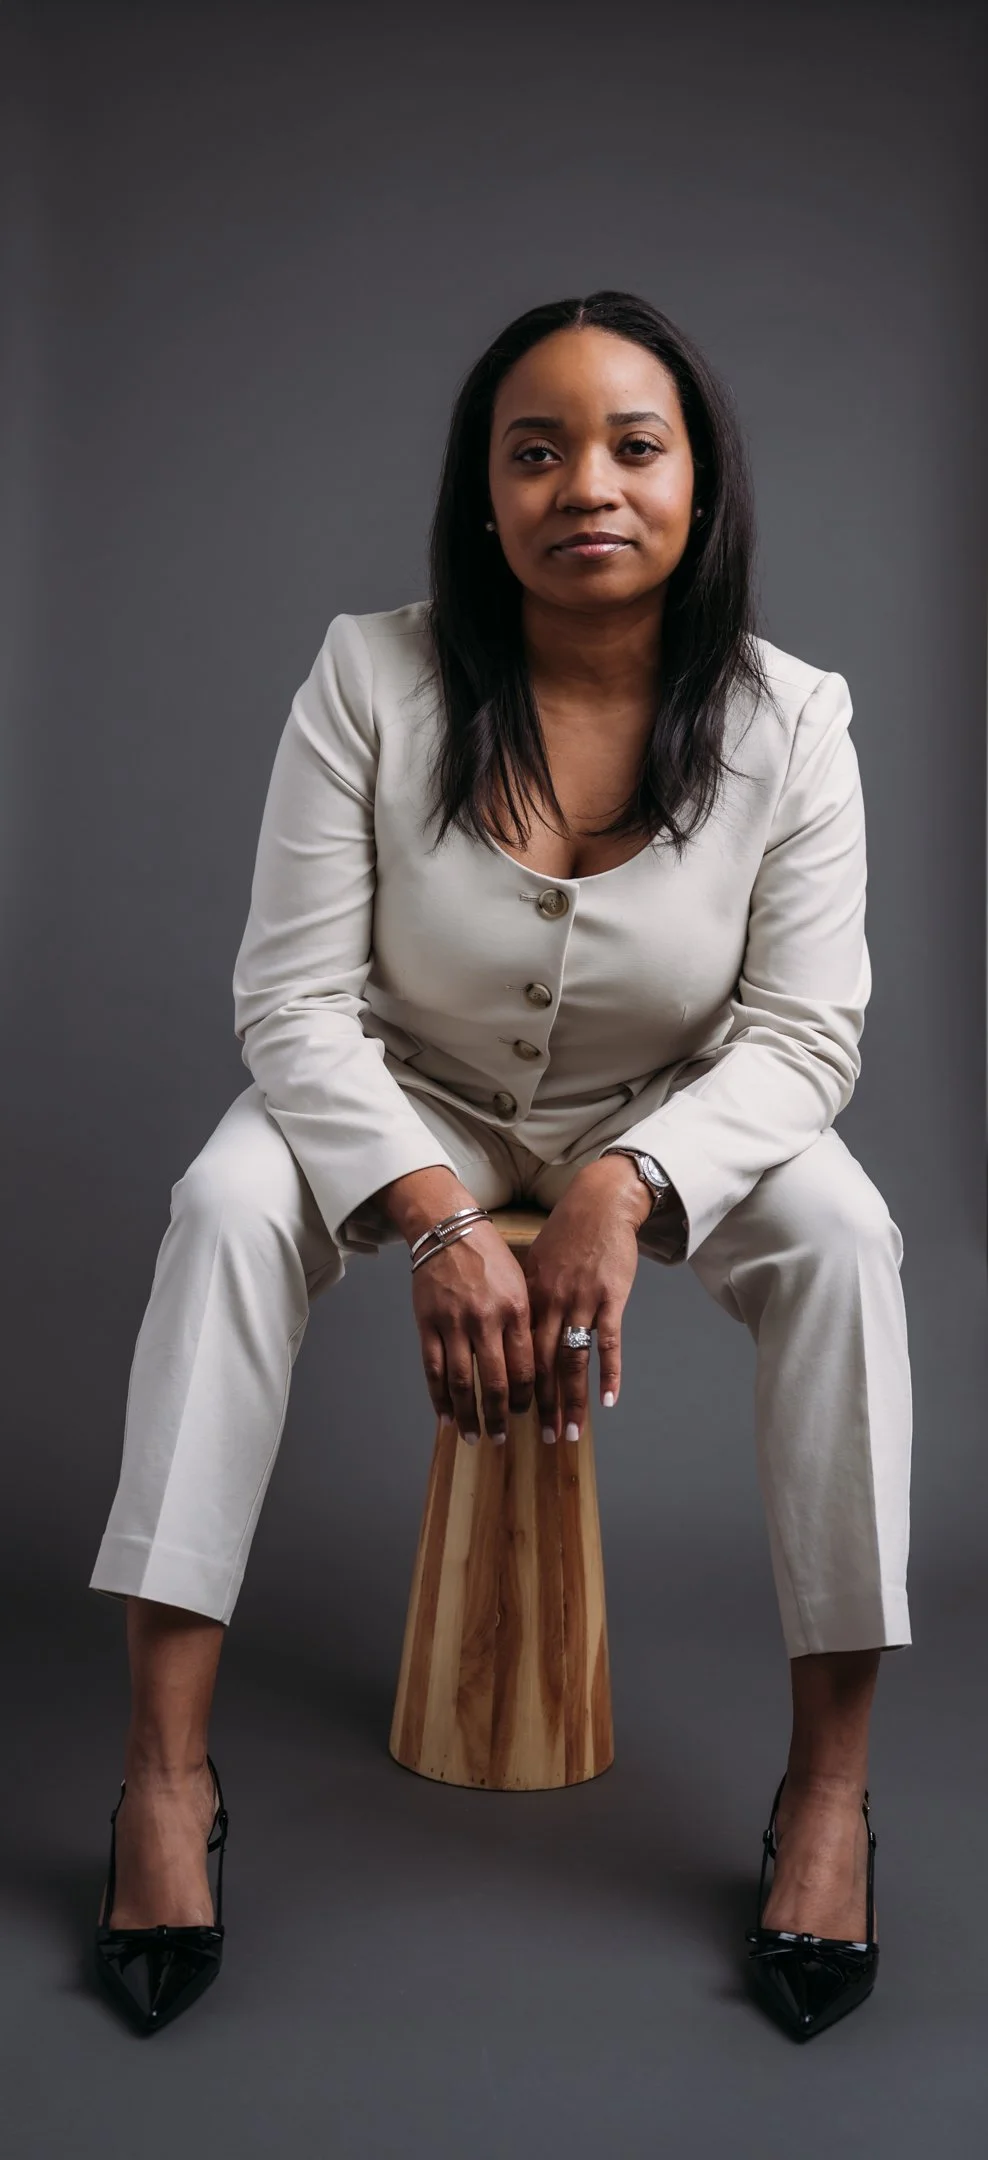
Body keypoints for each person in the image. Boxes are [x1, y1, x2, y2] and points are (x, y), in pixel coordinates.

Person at [89, 289, 911, 2042]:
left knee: (848, 1237)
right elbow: (292, 999)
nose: (584, 484)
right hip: (411, 1095)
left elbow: (806, 1033)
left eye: (634, 444)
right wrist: (435, 1211)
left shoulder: (793, 719)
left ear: (699, 484)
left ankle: (828, 1794)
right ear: (484, 495)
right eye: (534, 451)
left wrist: (630, 1184)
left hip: (684, 1101)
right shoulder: (369, 674)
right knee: (224, 1205)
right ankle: (163, 1779)